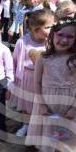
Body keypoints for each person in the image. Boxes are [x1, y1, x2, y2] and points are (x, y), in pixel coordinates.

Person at [25, 17, 76, 152]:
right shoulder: (43, 58)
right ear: (52, 35)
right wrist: (41, 104)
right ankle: (46, 149)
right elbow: (37, 82)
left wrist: (74, 107)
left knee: (63, 127)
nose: (64, 40)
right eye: (61, 35)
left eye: (70, 36)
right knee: (48, 126)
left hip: (68, 101)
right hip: (47, 100)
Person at [12, 9, 55, 137]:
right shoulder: (23, 42)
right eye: (48, 27)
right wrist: (13, 82)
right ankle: (26, 124)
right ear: (35, 29)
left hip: (45, 79)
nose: (52, 29)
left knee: (42, 103)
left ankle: (41, 125)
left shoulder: (52, 41)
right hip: (28, 78)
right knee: (27, 103)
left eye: (53, 25)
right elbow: (15, 61)